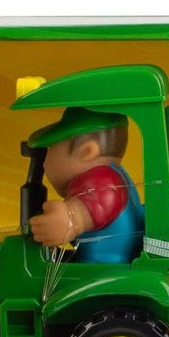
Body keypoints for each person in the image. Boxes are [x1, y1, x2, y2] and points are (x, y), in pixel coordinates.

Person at [26, 107, 144, 264]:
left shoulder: (103, 180)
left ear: (86, 151)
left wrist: (70, 220)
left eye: (50, 150)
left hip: (100, 264)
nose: (44, 164)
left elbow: (99, 203)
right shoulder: (116, 172)